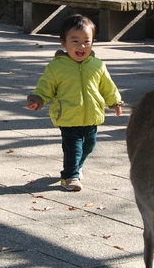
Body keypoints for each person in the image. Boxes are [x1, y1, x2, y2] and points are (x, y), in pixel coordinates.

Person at [27, 14, 123, 191]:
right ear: (64, 43)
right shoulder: (57, 67)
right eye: (75, 41)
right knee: (73, 148)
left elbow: (107, 86)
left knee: (89, 146)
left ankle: (77, 167)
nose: (82, 46)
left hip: (92, 116)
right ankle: (69, 177)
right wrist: (37, 99)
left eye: (87, 41)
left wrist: (115, 102)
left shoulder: (97, 65)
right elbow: (46, 86)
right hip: (68, 117)